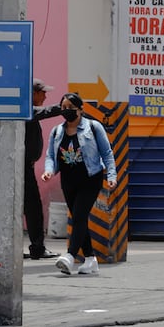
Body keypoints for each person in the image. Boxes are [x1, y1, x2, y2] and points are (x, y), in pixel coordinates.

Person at [42, 92, 117, 276]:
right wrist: (49, 170)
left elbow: (107, 153)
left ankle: (70, 256)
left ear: (80, 109)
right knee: (78, 218)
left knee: (79, 216)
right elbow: (51, 155)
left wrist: (111, 175)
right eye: (63, 107)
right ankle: (90, 259)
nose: (66, 111)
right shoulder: (57, 131)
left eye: (70, 108)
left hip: (90, 178)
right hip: (68, 180)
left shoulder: (93, 127)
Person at [24, 79, 62, 259]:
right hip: (21, 168)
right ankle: (37, 248)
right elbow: (42, 112)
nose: (45, 96)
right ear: (32, 93)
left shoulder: (27, 111)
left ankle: (37, 247)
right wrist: (62, 107)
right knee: (33, 209)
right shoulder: (24, 109)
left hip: (25, 167)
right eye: (42, 92)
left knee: (31, 209)